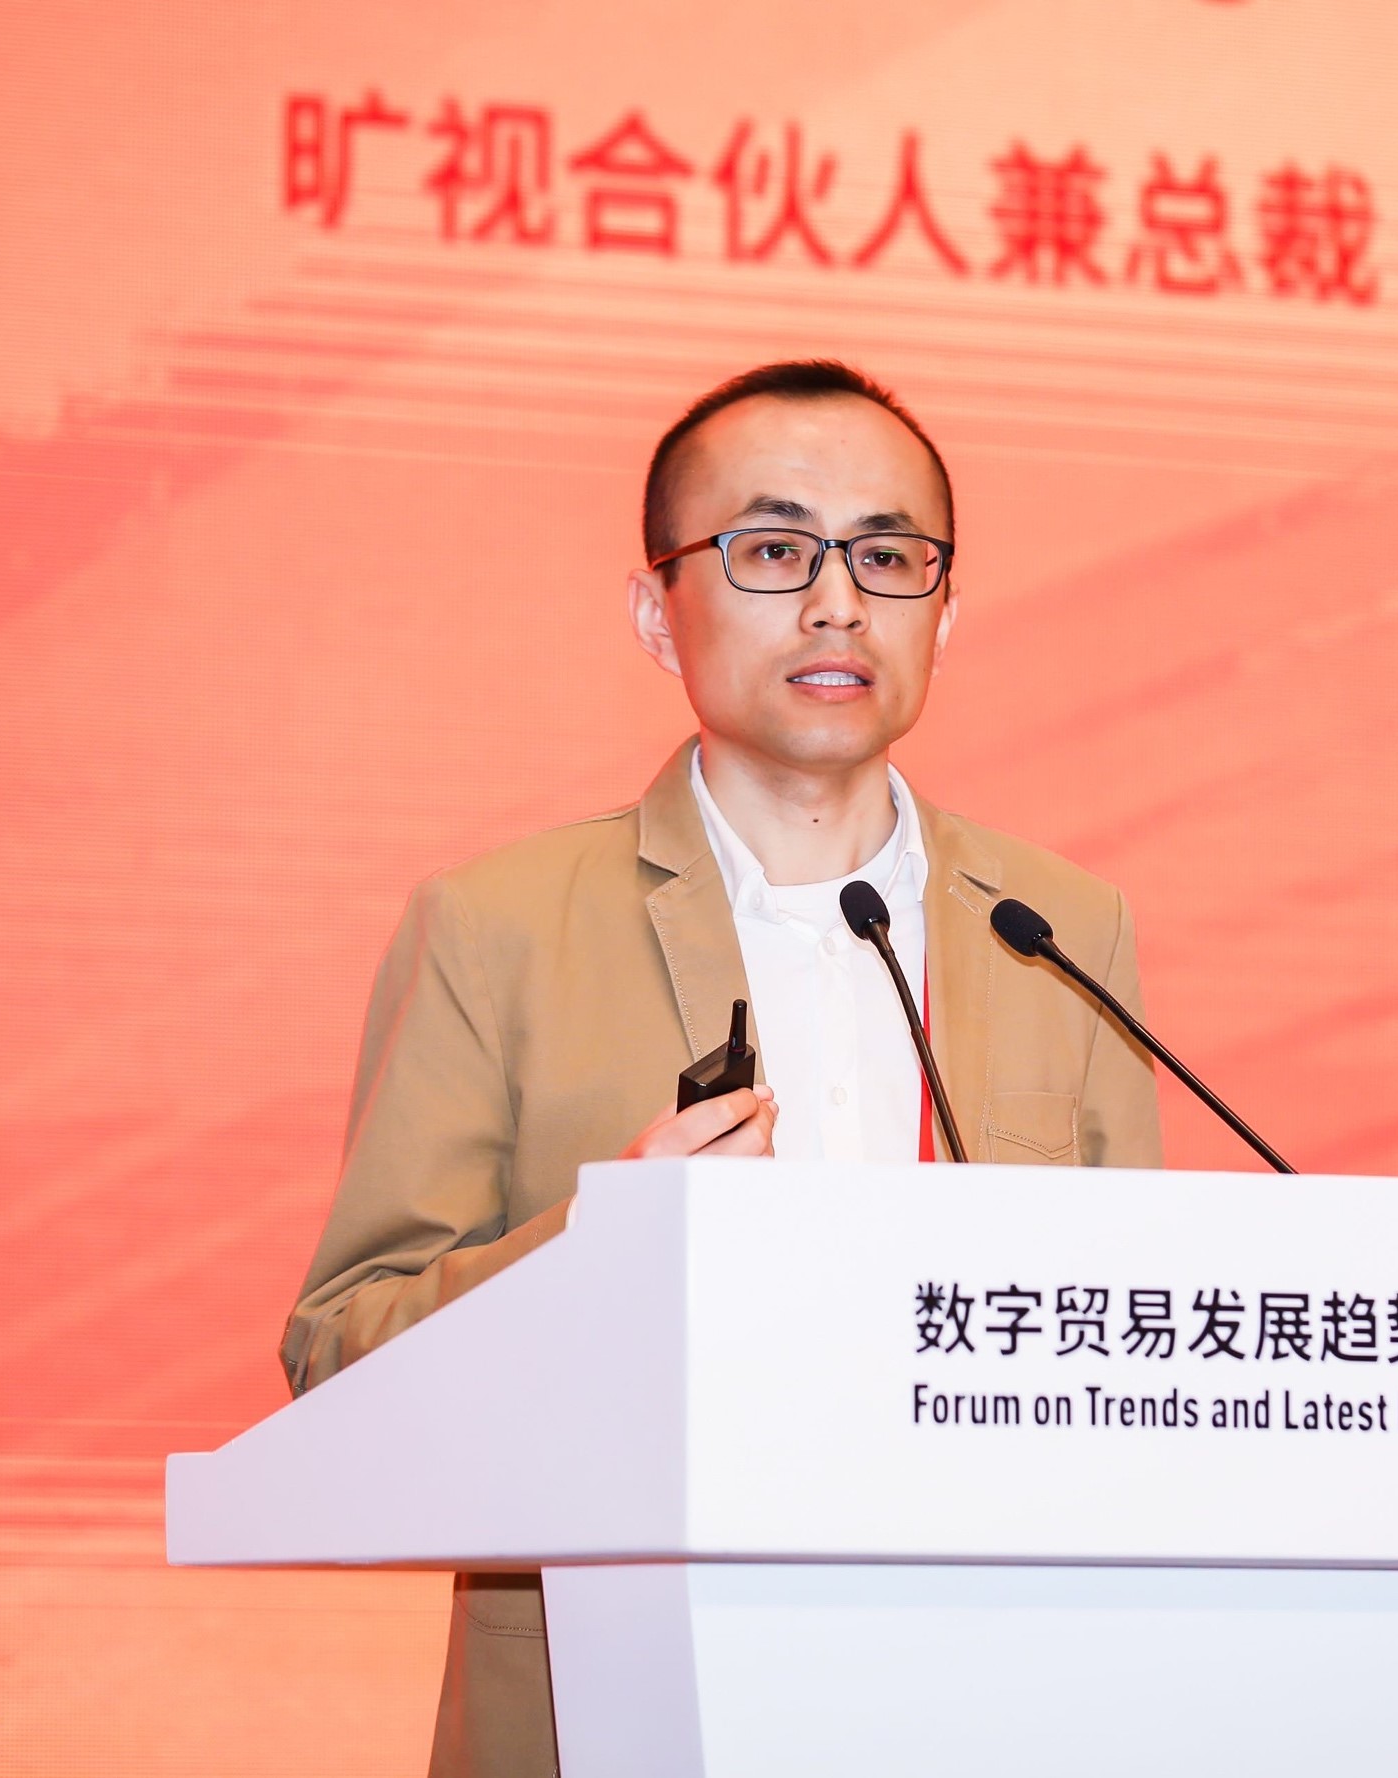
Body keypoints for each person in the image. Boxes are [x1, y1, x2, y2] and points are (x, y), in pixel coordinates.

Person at [279, 360, 1164, 1776]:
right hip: (619, 1706)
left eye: (888, 556)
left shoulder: (1056, 930)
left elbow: (1136, 1351)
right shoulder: (496, 928)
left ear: (946, 610)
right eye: (772, 550)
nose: (837, 602)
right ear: (657, 611)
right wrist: (600, 1244)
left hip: (986, 1700)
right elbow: (339, 1360)